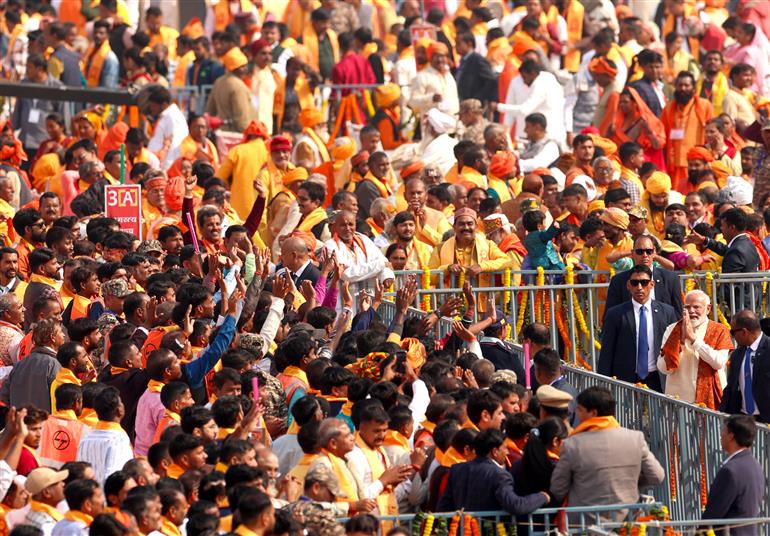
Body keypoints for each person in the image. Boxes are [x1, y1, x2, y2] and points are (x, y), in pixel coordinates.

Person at [550, 386, 665, 513]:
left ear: (593, 413)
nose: (576, 413)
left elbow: (557, 489)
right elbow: (657, 476)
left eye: (580, 410)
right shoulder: (635, 438)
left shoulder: (572, 444)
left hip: (584, 523)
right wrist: (627, 481)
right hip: (628, 522)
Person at [599, 264, 678, 392]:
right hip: (625, 379)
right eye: (635, 283)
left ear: (652, 285)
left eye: (644, 282)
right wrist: (603, 385)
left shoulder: (667, 312)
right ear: (628, 286)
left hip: (657, 378)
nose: (639, 287)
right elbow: (607, 351)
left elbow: (674, 347)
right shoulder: (616, 314)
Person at [436, 429, 548, 515]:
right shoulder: (500, 475)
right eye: (505, 448)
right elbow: (515, 505)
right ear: (495, 451)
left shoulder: (457, 469)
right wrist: (542, 496)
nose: (508, 452)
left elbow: (443, 507)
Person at [658, 290, 732, 408]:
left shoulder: (720, 330)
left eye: (696, 307)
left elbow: (718, 363)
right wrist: (679, 342)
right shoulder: (672, 330)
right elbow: (664, 368)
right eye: (687, 307)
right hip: (679, 401)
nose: (691, 311)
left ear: (708, 309)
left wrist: (694, 340)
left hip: (711, 400)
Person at [702, 415, 765, 533]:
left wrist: (698, 532)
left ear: (731, 436)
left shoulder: (730, 471)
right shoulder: (755, 465)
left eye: (724, 431)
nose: (721, 435)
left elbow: (714, 512)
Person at [604, 234, 683, 318]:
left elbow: (677, 314)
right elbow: (610, 316)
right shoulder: (618, 281)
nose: (645, 255)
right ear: (633, 253)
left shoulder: (670, 278)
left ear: (654, 253)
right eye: (640, 252)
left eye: (649, 251)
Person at [661, 71, 714, 193]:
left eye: (686, 85)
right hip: (674, 164)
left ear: (693, 88)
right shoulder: (668, 108)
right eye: (680, 85)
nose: (682, 88)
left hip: (697, 163)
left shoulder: (704, 106)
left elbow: (712, 132)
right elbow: (663, 135)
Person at [76, 385, 134, 484]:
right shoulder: (118, 440)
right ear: (119, 410)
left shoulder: (85, 439)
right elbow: (114, 478)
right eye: (121, 402)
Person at [720, 310, 770, 423]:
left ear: (744, 332)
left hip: (766, 421)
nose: (732, 336)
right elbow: (731, 386)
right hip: (743, 419)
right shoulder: (737, 354)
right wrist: (721, 412)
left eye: (733, 332)